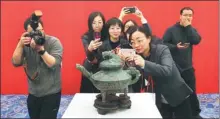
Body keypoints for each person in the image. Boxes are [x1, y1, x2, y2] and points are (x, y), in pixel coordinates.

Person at [125, 26, 193, 118]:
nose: (136, 45)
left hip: (177, 95)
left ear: (149, 39)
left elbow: (167, 70)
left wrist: (144, 63)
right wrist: (126, 65)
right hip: (158, 99)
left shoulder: (162, 50)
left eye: (139, 40)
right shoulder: (136, 57)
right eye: (132, 42)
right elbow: (136, 79)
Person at [12, 10, 63, 118]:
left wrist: (41, 51)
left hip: (51, 93)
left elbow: (53, 64)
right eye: (33, 33)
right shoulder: (25, 43)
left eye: (39, 31)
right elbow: (15, 62)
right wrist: (20, 44)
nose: (37, 35)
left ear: (43, 29)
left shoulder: (54, 42)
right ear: (27, 33)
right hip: (33, 93)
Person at [162, 7, 202, 118]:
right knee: (178, 93)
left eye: (190, 15)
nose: (187, 17)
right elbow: (163, 44)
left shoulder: (191, 30)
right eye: (185, 15)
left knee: (192, 92)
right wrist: (175, 47)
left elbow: (196, 40)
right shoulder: (171, 30)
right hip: (175, 68)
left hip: (188, 67)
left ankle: (195, 114)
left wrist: (188, 27)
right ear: (180, 16)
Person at [80, 11, 106, 93]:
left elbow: (115, 28)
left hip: (104, 68)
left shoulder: (107, 34)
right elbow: (89, 56)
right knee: (88, 93)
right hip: (90, 67)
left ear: (103, 23)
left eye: (99, 22)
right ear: (90, 24)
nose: (97, 25)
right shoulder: (86, 36)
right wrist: (90, 49)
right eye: (94, 23)